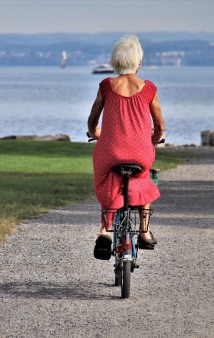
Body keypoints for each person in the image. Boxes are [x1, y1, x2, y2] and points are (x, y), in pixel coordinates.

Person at [87, 34, 165, 260]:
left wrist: (97, 134)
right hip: (140, 152)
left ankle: (105, 231)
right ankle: (144, 231)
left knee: (106, 177)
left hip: (110, 151)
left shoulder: (106, 86)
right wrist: (154, 139)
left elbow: (93, 122)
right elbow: (159, 125)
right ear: (138, 62)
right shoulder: (149, 88)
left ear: (115, 61)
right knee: (144, 179)